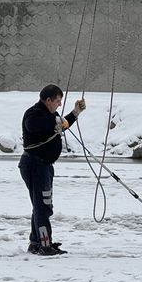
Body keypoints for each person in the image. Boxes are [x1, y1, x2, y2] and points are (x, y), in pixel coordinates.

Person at [19, 84, 86, 255]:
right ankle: (44, 244)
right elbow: (33, 125)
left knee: (40, 205)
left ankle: (36, 242)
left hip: (44, 166)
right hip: (35, 165)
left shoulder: (52, 115)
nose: (59, 104)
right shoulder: (34, 113)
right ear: (48, 100)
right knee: (43, 206)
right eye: (57, 101)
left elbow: (61, 124)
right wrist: (55, 121)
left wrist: (75, 113)